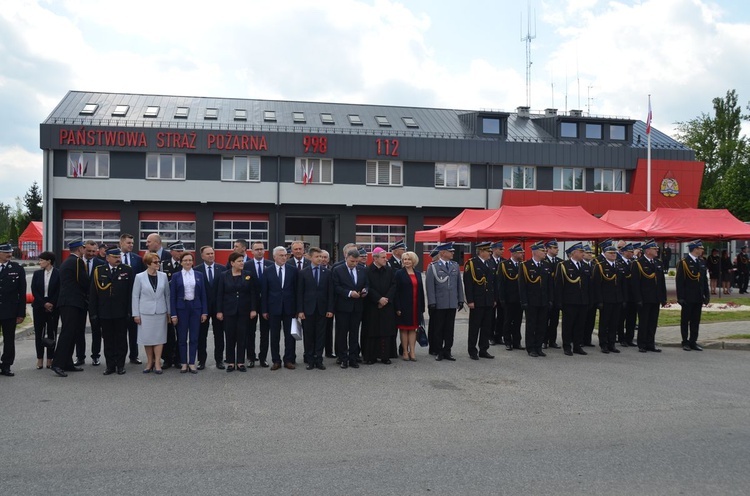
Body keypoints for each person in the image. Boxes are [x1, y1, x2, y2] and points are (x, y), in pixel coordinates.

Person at [89, 248, 134, 375]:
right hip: (105, 312)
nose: (118, 259)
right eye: (115, 257)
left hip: (121, 311)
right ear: (107, 258)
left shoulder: (127, 270)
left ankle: (120, 365)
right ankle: (110, 365)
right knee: (108, 339)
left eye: (118, 256)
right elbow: (93, 294)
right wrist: (93, 313)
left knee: (121, 339)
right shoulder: (99, 271)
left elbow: (131, 293)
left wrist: (130, 311)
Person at [51, 238, 89, 377]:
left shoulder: (68, 261)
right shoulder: (77, 261)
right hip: (72, 302)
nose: (85, 250)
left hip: (70, 302)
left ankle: (67, 362)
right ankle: (58, 363)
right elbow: (83, 281)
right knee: (67, 333)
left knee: (72, 333)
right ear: (79, 249)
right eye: (84, 248)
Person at [217, 252, 257, 372]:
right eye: (239, 261)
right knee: (229, 336)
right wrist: (219, 311)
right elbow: (220, 294)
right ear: (232, 263)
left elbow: (253, 293)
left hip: (244, 311)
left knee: (242, 336)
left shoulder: (248, 275)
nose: (242, 263)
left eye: (242, 260)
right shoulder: (224, 275)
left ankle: (240, 361)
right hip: (229, 311)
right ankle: (230, 362)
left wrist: (253, 309)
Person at [170, 251, 208, 373]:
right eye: (185, 260)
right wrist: (173, 314)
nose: (188, 262)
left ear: (193, 262)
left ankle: (192, 362)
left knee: (194, 337)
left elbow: (203, 295)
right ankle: (183, 363)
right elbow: (172, 297)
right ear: (181, 262)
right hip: (182, 308)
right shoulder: (176, 276)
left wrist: (204, 312)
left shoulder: (199, 275)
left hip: (195, 308)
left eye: (190, 260)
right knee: (181, 338)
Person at [132, 252, 170, 374]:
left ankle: (158, 362)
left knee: (159, 337)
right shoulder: (139, 277)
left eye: (159, 262)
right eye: (155, 262)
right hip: (145, 312)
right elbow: (135, 296)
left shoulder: (163, 276)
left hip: (160, 311)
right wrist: (136, 314)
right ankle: (149, 362)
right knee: (147, 338)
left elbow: (167, 295)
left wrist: (169, 312)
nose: (158, 264)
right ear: (148, 263)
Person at [297, 247, 334, 370]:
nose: (319, 259)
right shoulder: (303, 272)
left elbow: (330, 293)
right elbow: (300, 293)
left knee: (320, 335)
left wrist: (330, 309)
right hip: (308, 309)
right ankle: (310, 359)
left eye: (321, 257)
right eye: (317, 257)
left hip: (322, 309)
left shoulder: (327, 272)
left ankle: (319, 359)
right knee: (309, 335)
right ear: (310, 257)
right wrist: (300, 310)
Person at [262, 246, 298, 370]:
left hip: (290, 308)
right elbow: (265, 292)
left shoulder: (293, 270)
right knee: (275, 336)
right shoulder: (267, 271)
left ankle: (288, 359)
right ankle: (276, 360)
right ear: (274, 257)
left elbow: (297, 291)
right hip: (273, 308)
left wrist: (298, 309)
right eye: (281, 255)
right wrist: (264, 310)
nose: (284, 257)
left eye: (285, 255)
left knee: (290, 336)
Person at [426, 242, 464, 362]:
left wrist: (461, 300)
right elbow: (430, 286)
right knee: (438, 329)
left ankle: (448, 350)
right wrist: (432, 302)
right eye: (450, 251)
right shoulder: (433, 267)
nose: (453, 253)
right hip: (439, 303)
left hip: (451, 302)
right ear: (443, 253)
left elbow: (459, 284)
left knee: (449, 329)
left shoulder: (455, 266)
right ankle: (438, 350)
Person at [332, 247, 368, 369]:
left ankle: (353, 358)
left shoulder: (362, 270)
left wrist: (365, 290)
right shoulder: (338, 270)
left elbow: (366, 284)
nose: (354, 264)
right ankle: (343, 358)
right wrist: (349, 293)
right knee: (342, 333)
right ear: (346, 258)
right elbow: (336, 287)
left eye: (356, 261)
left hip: (357, 307)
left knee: (354, 333)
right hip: (343, 307)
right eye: (352, 261)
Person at [361, 247, 397, 365]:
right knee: (372, 330)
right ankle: (370, 356)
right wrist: (378, 299)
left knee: (385, 331)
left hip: (386, 305)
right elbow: (367, 287)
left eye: (385, 257)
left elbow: (393, 285)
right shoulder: (367, 271)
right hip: (372, 306)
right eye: (383, 257)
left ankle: (385, 356)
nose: (385, 260)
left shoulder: (389, 270)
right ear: (375, 258)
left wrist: (386, 299)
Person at [631, 240, 667, 353]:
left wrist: (663, 297)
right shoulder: (638, 263)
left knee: (653, 322)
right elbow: (635, 283)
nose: (657, 250)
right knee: (644, 322)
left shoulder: (658, 263)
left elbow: (661, 282)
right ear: (647, 250)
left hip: (655, 298)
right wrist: (638, 298)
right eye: (654, 249)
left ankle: (651, 343)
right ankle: (642, 344)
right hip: (644, 298)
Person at [555, 242, 590, 356]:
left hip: (582, 300)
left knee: (580, 324)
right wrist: (559, 301)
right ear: (573, 253)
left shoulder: (585, 266)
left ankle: (577, 345)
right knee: (568, 325)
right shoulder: (563, 265)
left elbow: (588, 286)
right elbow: (559, 285)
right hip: (569, 301)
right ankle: (567, 346)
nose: (583, 254)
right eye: (581, 252)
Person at [519, 241, 552, 357]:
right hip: (531, 301)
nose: (545, 253)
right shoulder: (525, 266)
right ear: (536, 252)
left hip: (543, 301)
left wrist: (550, 300)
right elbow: (522, 286)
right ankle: (531, 348)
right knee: (531, 325)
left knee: (542, 325)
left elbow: (549, 285)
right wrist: (523, 301)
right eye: (543, 251)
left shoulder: (546, 265)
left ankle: (538, 347)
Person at [194, 245, 225, 370]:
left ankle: (219, 360)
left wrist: (221, 309)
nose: (211, 255)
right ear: (202, 256)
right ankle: (201, 360)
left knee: (219, 335)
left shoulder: (222, 269)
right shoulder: (196, 270)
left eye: (212, 253)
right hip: (202, 309)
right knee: (202, 335)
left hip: (218, 308)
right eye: (208, 254)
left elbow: (224, 291)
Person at [463, 242, 495, 360]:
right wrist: (470, 300)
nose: (490, 253)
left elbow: (493, 283)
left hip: (488, 300)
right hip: (477, 300)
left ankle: (483, 349)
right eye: (488, 251)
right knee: (474, 327)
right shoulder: (471, 264)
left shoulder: (490, 263)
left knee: (486, 326)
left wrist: (494, 299)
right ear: (481, 251)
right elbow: (468, 284)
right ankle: (472, 350)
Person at [676, 240, 710, 351]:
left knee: (696, 320)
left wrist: (706, 294)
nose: (702, 250)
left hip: (698, 297)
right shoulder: (684, 262)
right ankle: (685, 341)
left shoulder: (701, 262)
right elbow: (680, 281)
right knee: (685, 320)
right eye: (700, 248)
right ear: (695, 249)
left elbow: (704, 280)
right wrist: (680, 297)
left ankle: (693, 341)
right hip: (687, 297)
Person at [591, 245, 626, 354]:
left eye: (614, 253)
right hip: (606, 300)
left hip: (617, 299)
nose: (613, 255)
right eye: (611, 253)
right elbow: (597, 286)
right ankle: (603, 344)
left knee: (614, 323)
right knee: (604, 323)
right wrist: (599, 301)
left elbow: (623, 285)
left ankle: (612, 344)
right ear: (605, 254)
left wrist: (623, 299)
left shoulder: (619, 265)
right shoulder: (600, 266)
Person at [0, 241, 27, 376]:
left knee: (9, 340)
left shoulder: (17, 268)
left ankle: (6, 365)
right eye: (6, 252)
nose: (9, 254)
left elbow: (22, 293)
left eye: (10, 252)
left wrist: (21, 313)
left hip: (10, 310)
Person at [74, 239, 102, 366]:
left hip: (95, 301)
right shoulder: (77, 263)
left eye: (93, 251)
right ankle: (80, 356)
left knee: (96, 329)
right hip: (80, 300)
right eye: (89, 251)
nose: (91, 253)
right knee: (79, 329)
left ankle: (95, 355)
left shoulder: (100, 264)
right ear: (83, 249)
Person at [244, 241, 272, 367]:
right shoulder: (246, 265)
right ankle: (250, 357)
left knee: (265, 332)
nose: (260, 251)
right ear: (252, 251)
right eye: (257, 249)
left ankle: (263, 358)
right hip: (251, 305)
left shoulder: (270, 265)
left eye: (262, 249)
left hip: (266, 304)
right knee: (250, 332)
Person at [394, 251, 425, 361]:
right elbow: (396, 292)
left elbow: (421, 291)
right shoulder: (399, 273)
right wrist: (397, 307)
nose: (406, 261)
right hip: (404, 306)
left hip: (416, 306)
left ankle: (412, 351)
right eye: (404, 259)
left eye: (409, 259)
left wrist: (422, 307)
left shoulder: (417, 273)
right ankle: (405, 352)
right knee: (404, 329)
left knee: (413, 329)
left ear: (413, 261)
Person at [31, 251, 60, 369]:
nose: (40, 262)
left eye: (42, 260)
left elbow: (59, 289)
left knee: (52, 333)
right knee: (39, 333)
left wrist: (51, 303)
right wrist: (44, 303)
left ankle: (50, 359)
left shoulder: (58, 273)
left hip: (53, 306)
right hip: (39, 306)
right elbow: (34, 290)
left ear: (49, 261)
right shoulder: (37, 274)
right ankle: (39, 359)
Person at [119, 233, 144, 365]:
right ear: (121, 243)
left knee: (134, 329)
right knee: (121, 330)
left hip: (134, 298)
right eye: (128, 243)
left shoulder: (137, 259)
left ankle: (134, 355)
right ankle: (121, 355)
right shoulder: (115, 258)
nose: (131, 245)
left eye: (132, 243)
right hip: (119, 298)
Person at [161, 241, 185, 369]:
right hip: (167, 303)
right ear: (172, 252)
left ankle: (179, 359)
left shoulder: (186, 265)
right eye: (178, 251)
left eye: (182, 251)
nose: (180, 254)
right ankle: (167, 358)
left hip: (181, 303)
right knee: (168, 333)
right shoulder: (163, 265)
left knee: (180, 332)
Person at [497, 243, 524, 351]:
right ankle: (507, 341)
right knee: (508, 320)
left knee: (518, 321)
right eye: (520, 252)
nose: (522, 254)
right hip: (509, 299)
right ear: (514, 253)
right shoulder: (504, 265)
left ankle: (517, 341)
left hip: (520, 299)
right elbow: (501, 284)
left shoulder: (523, 265)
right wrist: (502, 299)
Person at [541, 240, 562, 349]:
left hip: (557, 296)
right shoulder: (543, 261)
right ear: (548, 249)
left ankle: (552, 340)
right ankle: (544, 340)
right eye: (554, 248)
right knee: (544, 320)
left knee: (554, 320)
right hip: (546, 295)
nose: (557, 249)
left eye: (557, 247)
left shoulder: (560, 262)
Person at [616, 243, 638, 347]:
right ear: (624, 252)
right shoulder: (618, 263)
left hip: (633, 296)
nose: (632, 253)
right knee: (621, 319)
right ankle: (621, 338)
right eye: (630, 251)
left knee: (632, 319)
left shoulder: (634, 263)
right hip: (623, 296)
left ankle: (629, 338)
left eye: (632, 251)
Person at [487, 241, 505, 346]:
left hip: (501, 294)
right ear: (493, 249)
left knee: (502, 316)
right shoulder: (488, 261)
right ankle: (490, 336)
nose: (502, 251)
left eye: (502, 249)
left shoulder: (504, 262)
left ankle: (499, 336)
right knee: (491, 316)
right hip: (492, 294)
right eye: (500, 249)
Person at [320, 249, 336, 358]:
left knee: (328, 330)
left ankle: (329, 351)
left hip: (328, 305)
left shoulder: (333, 271)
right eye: (321, 257)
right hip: (315, 305)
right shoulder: (311, 270)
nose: (323, 259)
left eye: (326, 257)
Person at [581, 245, 597, 347]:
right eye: (587, 253)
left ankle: (588, 339)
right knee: (582, 320)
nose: (590, 255)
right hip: (584, 297)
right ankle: (580, 339)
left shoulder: (595, 265)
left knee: (591, 320)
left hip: (593, 297)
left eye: (591, 253)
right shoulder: (581, 265)